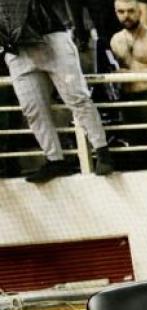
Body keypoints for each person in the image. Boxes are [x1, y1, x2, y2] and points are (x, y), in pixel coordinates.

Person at [0, 0, 115, 182]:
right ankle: (55, 159)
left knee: (76, 97)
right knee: (33, 109)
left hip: (49, 36)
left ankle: (102, 150)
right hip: (17, 48)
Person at [111, 0, 147, 168]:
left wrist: (132, 75)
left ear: (139, 11)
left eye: (130, 11)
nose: (126, 16)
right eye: (121, 12)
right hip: (128, 100)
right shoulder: (116, 40)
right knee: (138, 151)